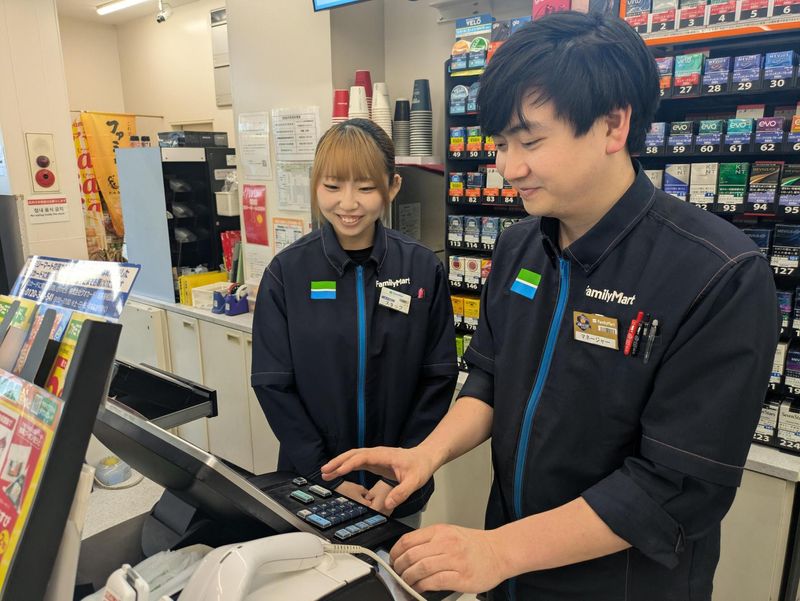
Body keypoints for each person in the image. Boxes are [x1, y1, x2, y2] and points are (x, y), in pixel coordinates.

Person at [321, 12, 779, 600]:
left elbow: (673, 487)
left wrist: (498, 550)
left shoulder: (718, 274)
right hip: (511, 575)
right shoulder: (520, 246)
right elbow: (489, 377)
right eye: (501, 144)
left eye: (531, 141)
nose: (509, 168)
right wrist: (427, 454)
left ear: (613, 125)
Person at [251, 118, 457, 525]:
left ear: (392, 187)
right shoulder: (287, 272)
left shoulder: (421, 267)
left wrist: (399, 468)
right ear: (315, 185)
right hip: (313, 487)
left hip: (397, 488)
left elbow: (438, 378)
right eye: (332, 186)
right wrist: (324, 474)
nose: (348, 203)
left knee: (394, 565)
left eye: (365, 188)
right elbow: (273, 384)